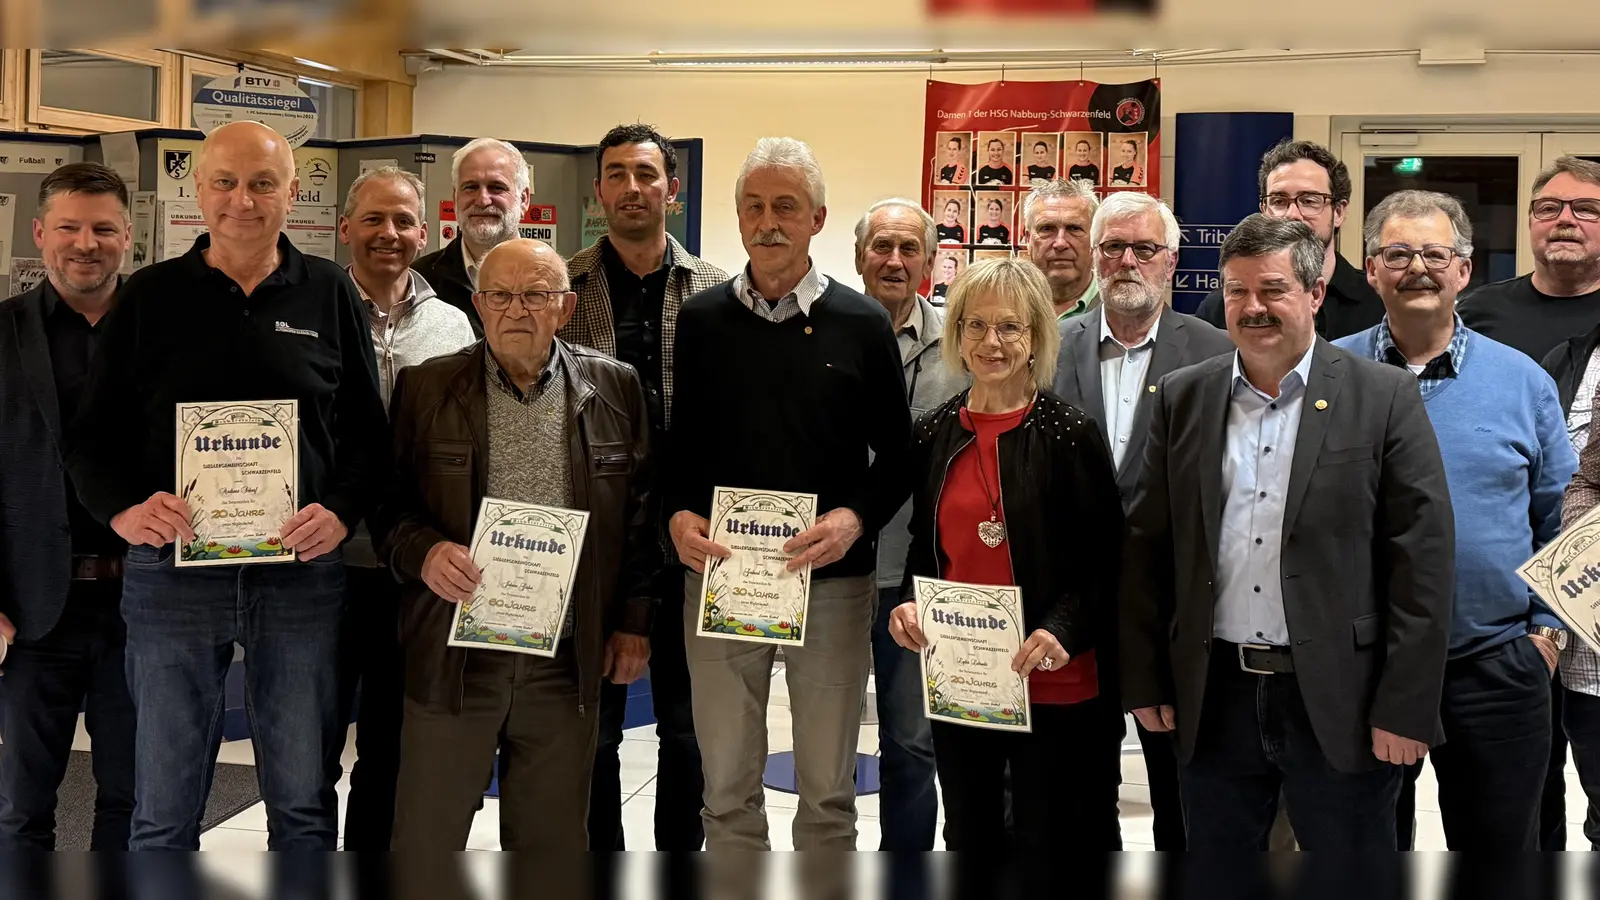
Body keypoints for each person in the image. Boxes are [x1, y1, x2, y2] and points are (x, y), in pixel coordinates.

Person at [64, 121, 389, 850]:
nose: (243, 200)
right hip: (172, 574)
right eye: (226, 182)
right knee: (165, 805)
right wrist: (121, 510)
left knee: (303, 800)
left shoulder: (329, 292)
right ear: (200, 190)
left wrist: (339, 512)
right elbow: (91, 437)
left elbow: (369, 436)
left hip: (300, 576)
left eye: (262, 183)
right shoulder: (148, 297)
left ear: (292, 193)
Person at [1120, 214, 1455, 850]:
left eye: (1272, 289)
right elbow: (1147, 548)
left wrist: (1406, 706)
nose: (1253, 308)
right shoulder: (1181, 397)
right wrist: (1145, 678)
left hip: (1340, 697)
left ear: (1315, 294)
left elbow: (1423, 561)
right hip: (1214, 694)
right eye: (1236, 291)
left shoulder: (1382, 396)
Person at [667, 137, 912, 850]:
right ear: (738, 216)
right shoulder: (703, 321)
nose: (768, 220)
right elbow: (681, 447)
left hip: (830, 580)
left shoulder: (862, 325)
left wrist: (854, 520)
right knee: (726, 788)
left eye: (786, 206)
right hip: (722, 574)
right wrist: (676, 516)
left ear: (818, 219)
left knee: (829, 792)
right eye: (754, 206)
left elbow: (899, 457)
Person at [384, 239, 659, 851]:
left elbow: (641, 518)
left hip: (566, 655)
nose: (517, 310)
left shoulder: (615, 388)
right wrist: (425, 551)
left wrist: (634, 622)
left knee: (551, 846)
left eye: (536, 295)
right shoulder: (427, 389)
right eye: (501, 295)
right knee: (427, 839)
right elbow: (388, 509)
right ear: (478, 305)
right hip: (456, 654)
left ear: (565, 306)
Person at [1332, 189, 1573, 850]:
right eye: (1399, 253)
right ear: (1371, 268)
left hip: (1496, 663)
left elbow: (1563, 515)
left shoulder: (1522, 381)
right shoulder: (1330, 373)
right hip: (1362, 669)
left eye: (1436, 254)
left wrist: (1547, 635)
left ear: (1464, 271)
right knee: (1363, 861)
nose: (1419, 268)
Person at [887, 256, 1126, 853]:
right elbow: (926, 547)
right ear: (957, 335)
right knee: (971, 830)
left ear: (1036, 337)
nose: (991, 342)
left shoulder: (1070, 435)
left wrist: (1061, 629)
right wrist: (911, 607)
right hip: (965, 678)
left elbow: (1107, 560)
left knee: (1051, 836)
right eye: (976, 325)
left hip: (1052, 675)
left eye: (1010, 327)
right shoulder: (933, 432)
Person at [559, 124, 727, 852]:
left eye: (646, 174)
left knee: (689, 730)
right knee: (591, 728)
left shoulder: (718, 291)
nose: (632, 187)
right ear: (598, 191)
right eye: (617, 174)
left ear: (672, 188)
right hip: (592, 539)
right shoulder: (558, 285)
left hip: (692, 532)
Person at [1052, 191, 1233, 851]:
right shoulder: (1051, 347)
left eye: (1144, 249)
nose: (1127, 261)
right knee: (1077, 790)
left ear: (1173, 262)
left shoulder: (1218, 352)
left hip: (1175, 609)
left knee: (1181, 791)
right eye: (1113, 248)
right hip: (1073, 606)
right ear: (1095, 256)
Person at [333, 165, 476, 851]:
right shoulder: (318, 311)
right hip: (323, 565)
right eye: (372, 220)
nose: (388, 234)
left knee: (389, 748)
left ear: (425, 231)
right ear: (345, 230)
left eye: (402, 222)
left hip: (411, 572)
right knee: (308, 745)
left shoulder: (453, 325)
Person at [0, 163, 134, 850]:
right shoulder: (2, 333)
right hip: (30, 613)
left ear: (129, 237)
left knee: (133, 802)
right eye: (69, 227)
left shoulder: (162, 333)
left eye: (103, 228)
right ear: (38, 233)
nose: (87, 242)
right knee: (21, 807)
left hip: (143, 605)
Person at [1485, 157, 1600, 850]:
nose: (1565, 220)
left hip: (1592, 595)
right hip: (1502, 593)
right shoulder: (1481, 314)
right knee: (1523, 794)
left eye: (1585, 209)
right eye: (1549, 207)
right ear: (1529, 222)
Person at [854, 198, 969, 851]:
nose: (894, 261)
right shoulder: (829, 329)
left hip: (920, 580)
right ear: (859, 257)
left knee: (911, 743)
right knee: (826, 744)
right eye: (882, 247)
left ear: (930, 261)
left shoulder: (959, 343)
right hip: (832, 572)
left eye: (909, 250)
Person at [1193, 140, 1385, 340]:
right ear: (1265, 210)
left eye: (1309, 201)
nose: (1292, 214)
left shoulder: (1378, 302)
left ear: (1338, 212)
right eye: (1279, 201)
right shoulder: (1220, 308)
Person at [412, 138, 531, 336]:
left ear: (524, 199)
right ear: (455, 197)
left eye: (496, 187)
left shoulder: (554, 279)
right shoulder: (419, 281)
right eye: (470, 187)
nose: (483, 200)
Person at [1022, 178, 1099, 319]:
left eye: (1074, 228)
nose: (1060, 243)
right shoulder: (1004, 305)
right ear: (1028, 239)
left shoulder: (1120, 311)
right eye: (1046, 229)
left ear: (1095, 238)